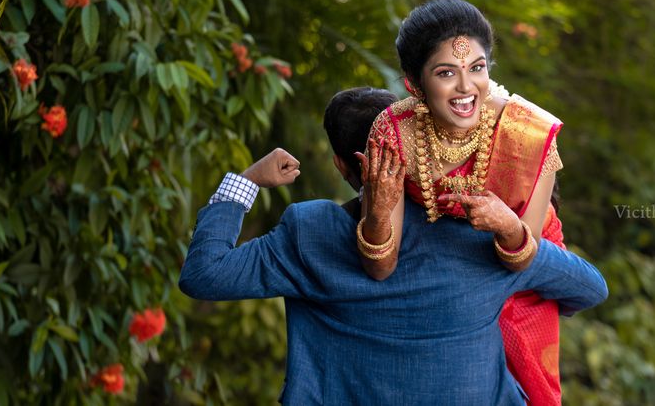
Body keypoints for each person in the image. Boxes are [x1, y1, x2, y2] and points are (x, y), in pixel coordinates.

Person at [179, 87, 608, 405]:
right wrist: (515, 234)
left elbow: (204, 274)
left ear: (342, 166)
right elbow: (590, 289)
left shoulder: (311, 235)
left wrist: (248, 180)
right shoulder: (480, 232)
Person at [358, 0, 569, 405]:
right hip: (445, 259)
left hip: (521, 259)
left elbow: (526, 255)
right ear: (414, 84)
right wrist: (379, 212)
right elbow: (380, 268)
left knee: (528, 382)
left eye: (477, 69)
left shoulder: (528, 132)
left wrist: (506, 223)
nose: (465, 87)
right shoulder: (393, 132)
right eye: (445, 73)